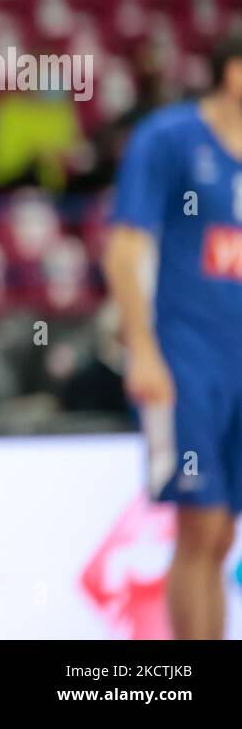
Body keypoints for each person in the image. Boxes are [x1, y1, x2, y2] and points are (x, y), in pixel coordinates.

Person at [103, 32, 242, 640]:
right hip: (187, 359)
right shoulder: (170, 137)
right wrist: (143, 350)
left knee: (223, 534)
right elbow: (124, 245)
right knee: (199, 527)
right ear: (234, 72)